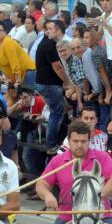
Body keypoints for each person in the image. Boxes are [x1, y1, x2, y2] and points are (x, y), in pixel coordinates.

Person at [35, 19, 68, 154]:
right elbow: (57, 67)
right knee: (56, 112)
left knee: (57, 111)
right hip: (50, 84)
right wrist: (67, 82)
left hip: (45, 83)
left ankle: (56, 140)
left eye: (51, 29)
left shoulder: (47, 43)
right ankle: (51, 144)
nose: (49, 31)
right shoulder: (49, 45)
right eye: (48, 29)